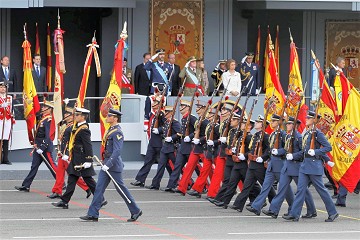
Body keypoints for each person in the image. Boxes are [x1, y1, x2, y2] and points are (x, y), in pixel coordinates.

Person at [80, 108, 142, 222]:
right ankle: (93, 213)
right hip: (107, 163)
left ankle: (135, 210)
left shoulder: (117, 132)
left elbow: (117, 151)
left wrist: (108, 164)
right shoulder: (110, 129)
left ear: (115, 118)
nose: (107, 118)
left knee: (121, 189)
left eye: (109, 116)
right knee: (98, 189)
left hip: (113, 165)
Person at [283, 111, 338, 222]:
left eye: (309, 117)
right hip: (304, 166)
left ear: (314, 120)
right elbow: (304, 151)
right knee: (300, 190)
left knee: (322, 190)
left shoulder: (317, 133)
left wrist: (316, 152)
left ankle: (333, 212)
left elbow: (328, 147)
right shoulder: (307, 133)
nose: (306, 118)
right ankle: (294, 214)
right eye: (307, 117)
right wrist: (292, 155)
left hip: (314, 166)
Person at [262, 117, 316, 218]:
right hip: (287, 166)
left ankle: (311, 210)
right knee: (281, 188)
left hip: (296, 166)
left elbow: (303, 152)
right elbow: (285, 149)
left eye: (290, 124)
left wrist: (293, 155)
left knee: (303, 190)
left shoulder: (298, 137)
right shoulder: (287, 136)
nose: (287, 125)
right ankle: (273, 210)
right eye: (287, 124)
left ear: (295, 126)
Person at [52, 107, 100, 209]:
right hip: (76, 158)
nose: (75, 116)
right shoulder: (77, 127)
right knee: (72, 180)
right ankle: (64, 201)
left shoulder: (84, 129)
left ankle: (101, 199)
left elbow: (88, 145)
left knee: (89, 180)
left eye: (77, 115)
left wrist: (89, 160)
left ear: (83, 117)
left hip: (82, 159)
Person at [228, 115, 275, 212]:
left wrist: (263, 158)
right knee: (247, 186)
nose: (256, 123)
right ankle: (238, 205)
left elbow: (269, 150)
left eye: (258, 122)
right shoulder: (255, 136)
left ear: (263, 124)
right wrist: (245, 156)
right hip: (252, 164)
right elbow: (250, 150)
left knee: (266, 187)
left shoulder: (266, 136)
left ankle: (274, 204)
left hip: (260, 166)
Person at [47, 107, 91, 199]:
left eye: (69, 115)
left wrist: (66, 153)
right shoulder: (65, 125)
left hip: (68, 154)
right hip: (62, 153)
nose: (66, 116)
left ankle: (87, 187)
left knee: (73, 174)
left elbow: (70, 141)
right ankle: (57, 191)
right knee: (60, 172)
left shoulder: (73, 127)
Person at [15, 101, 57, 192]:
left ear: (49, 110)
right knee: (34, 166)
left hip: (44, 149)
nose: (42, 108)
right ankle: (26, 185)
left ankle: (61, 184)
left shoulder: (48, 120)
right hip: (38, 147)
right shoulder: (43, 119)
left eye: (45, 107)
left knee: (52, 167)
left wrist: (42, 147)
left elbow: (48, 136)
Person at [146, 105, 181, 189]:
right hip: (165, 147)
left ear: (172, 113)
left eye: (167, 112)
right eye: (165, 112)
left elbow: (180, 133)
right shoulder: (167, 122)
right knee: (161, 166)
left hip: (172, 148)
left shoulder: (175, 123)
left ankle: (186, 183)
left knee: (178, 167)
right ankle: (155, 184)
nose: (165, 114)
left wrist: (172, 138)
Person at [0, 80, 15, 165]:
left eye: (4, 87)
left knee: (6, 139)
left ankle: (5, 159)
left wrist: (13, 116)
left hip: (7, 119)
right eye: (1, 87)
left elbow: (12, 108)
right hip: (0, 119)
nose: (2, 89)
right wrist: (1, 106)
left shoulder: (9, 97)